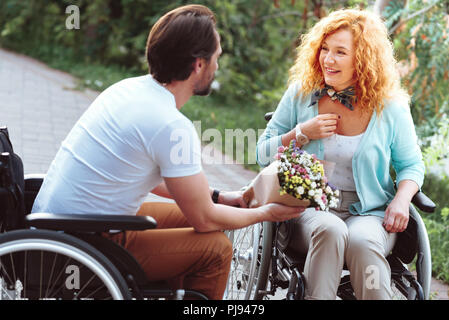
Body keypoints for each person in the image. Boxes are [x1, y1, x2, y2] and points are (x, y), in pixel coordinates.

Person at [31, 4, 304, 300]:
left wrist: (218, 197)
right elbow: (205, 219)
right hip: (85, 242)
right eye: (217, 57)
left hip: (58, 224)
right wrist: (266, 213)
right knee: (216, 248)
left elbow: (164, 181)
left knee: (200, 222)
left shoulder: (127, 89)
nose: (217, 66)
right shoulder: (171, 125)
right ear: (199, 64)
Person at [256, 8, 425, 300]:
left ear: (362, 59)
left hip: (369, 211)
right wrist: (301, 133)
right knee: (331, 229)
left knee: (361, 242)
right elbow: (262, 153)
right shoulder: (302, 94)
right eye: (324, 49)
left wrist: (401, 200)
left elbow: (411, 165)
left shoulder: (391, 107)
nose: (327, 59)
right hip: (307, 208)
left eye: (340, 52)